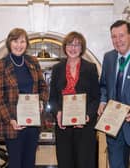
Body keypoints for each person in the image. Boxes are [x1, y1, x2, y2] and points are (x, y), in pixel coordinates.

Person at [0, 28, 48, 168]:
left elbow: (43, 86)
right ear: (9, 43)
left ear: (27, 43)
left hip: (33, 122)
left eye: (22, 41)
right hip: (13, 124)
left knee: (29, 163)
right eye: (15, 41)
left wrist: (41, 100)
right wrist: (10, 119)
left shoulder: (33, 61)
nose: (19, 45)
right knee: (16, 163)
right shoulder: (0, 64)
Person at [49, 31, 100, 168]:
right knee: (65, 163)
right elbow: (52, 98)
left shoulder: (90, 68)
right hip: (63, 127)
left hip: (85, 127)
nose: (73, 48)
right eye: (70, 44)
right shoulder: (57, 68)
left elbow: (96, 97)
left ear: (82, 48)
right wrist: (57, 112)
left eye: (77, 45)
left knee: (85, 163)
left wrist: (88, 115)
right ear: (65, 47)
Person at [98, 20, 130, 168]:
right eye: (114, 37)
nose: (118, 41)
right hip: (113, 126)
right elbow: (104, 85)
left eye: (121, 35)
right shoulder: (108, 58)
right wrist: (103, 101)